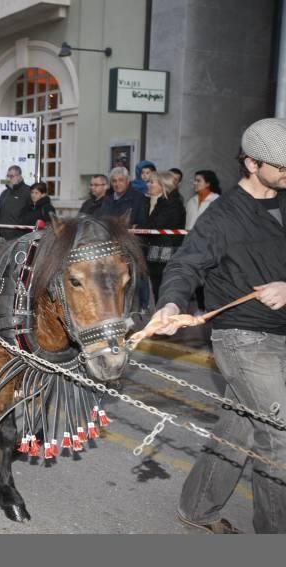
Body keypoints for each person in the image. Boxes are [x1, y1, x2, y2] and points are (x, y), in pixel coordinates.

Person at [144, 118, 286, 534]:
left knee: (240, 428)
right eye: (280, 166)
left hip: (282, 335)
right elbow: (186, 264)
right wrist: (170, 303)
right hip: (243, 338)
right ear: (251, 163)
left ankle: (198, 507)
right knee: (279, 437)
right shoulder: (222, 215)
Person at [140, 170, 186, 300]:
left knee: (162, 285)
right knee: (156, 286)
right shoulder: (159, 201)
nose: (148, 185)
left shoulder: (171, 204)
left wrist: (139, 228)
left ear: (163, 185)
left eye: (152, 182)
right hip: (157, 250)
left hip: (165, 252)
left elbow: (156, 225)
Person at [0, 165, 31, 240]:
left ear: (19, 176)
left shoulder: (28, 191)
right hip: (2, 235)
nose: (8, 178)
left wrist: (21, 228)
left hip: (19, 236)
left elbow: (31, 213)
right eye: (7, 176)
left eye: (11, 176)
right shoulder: (4, 193)